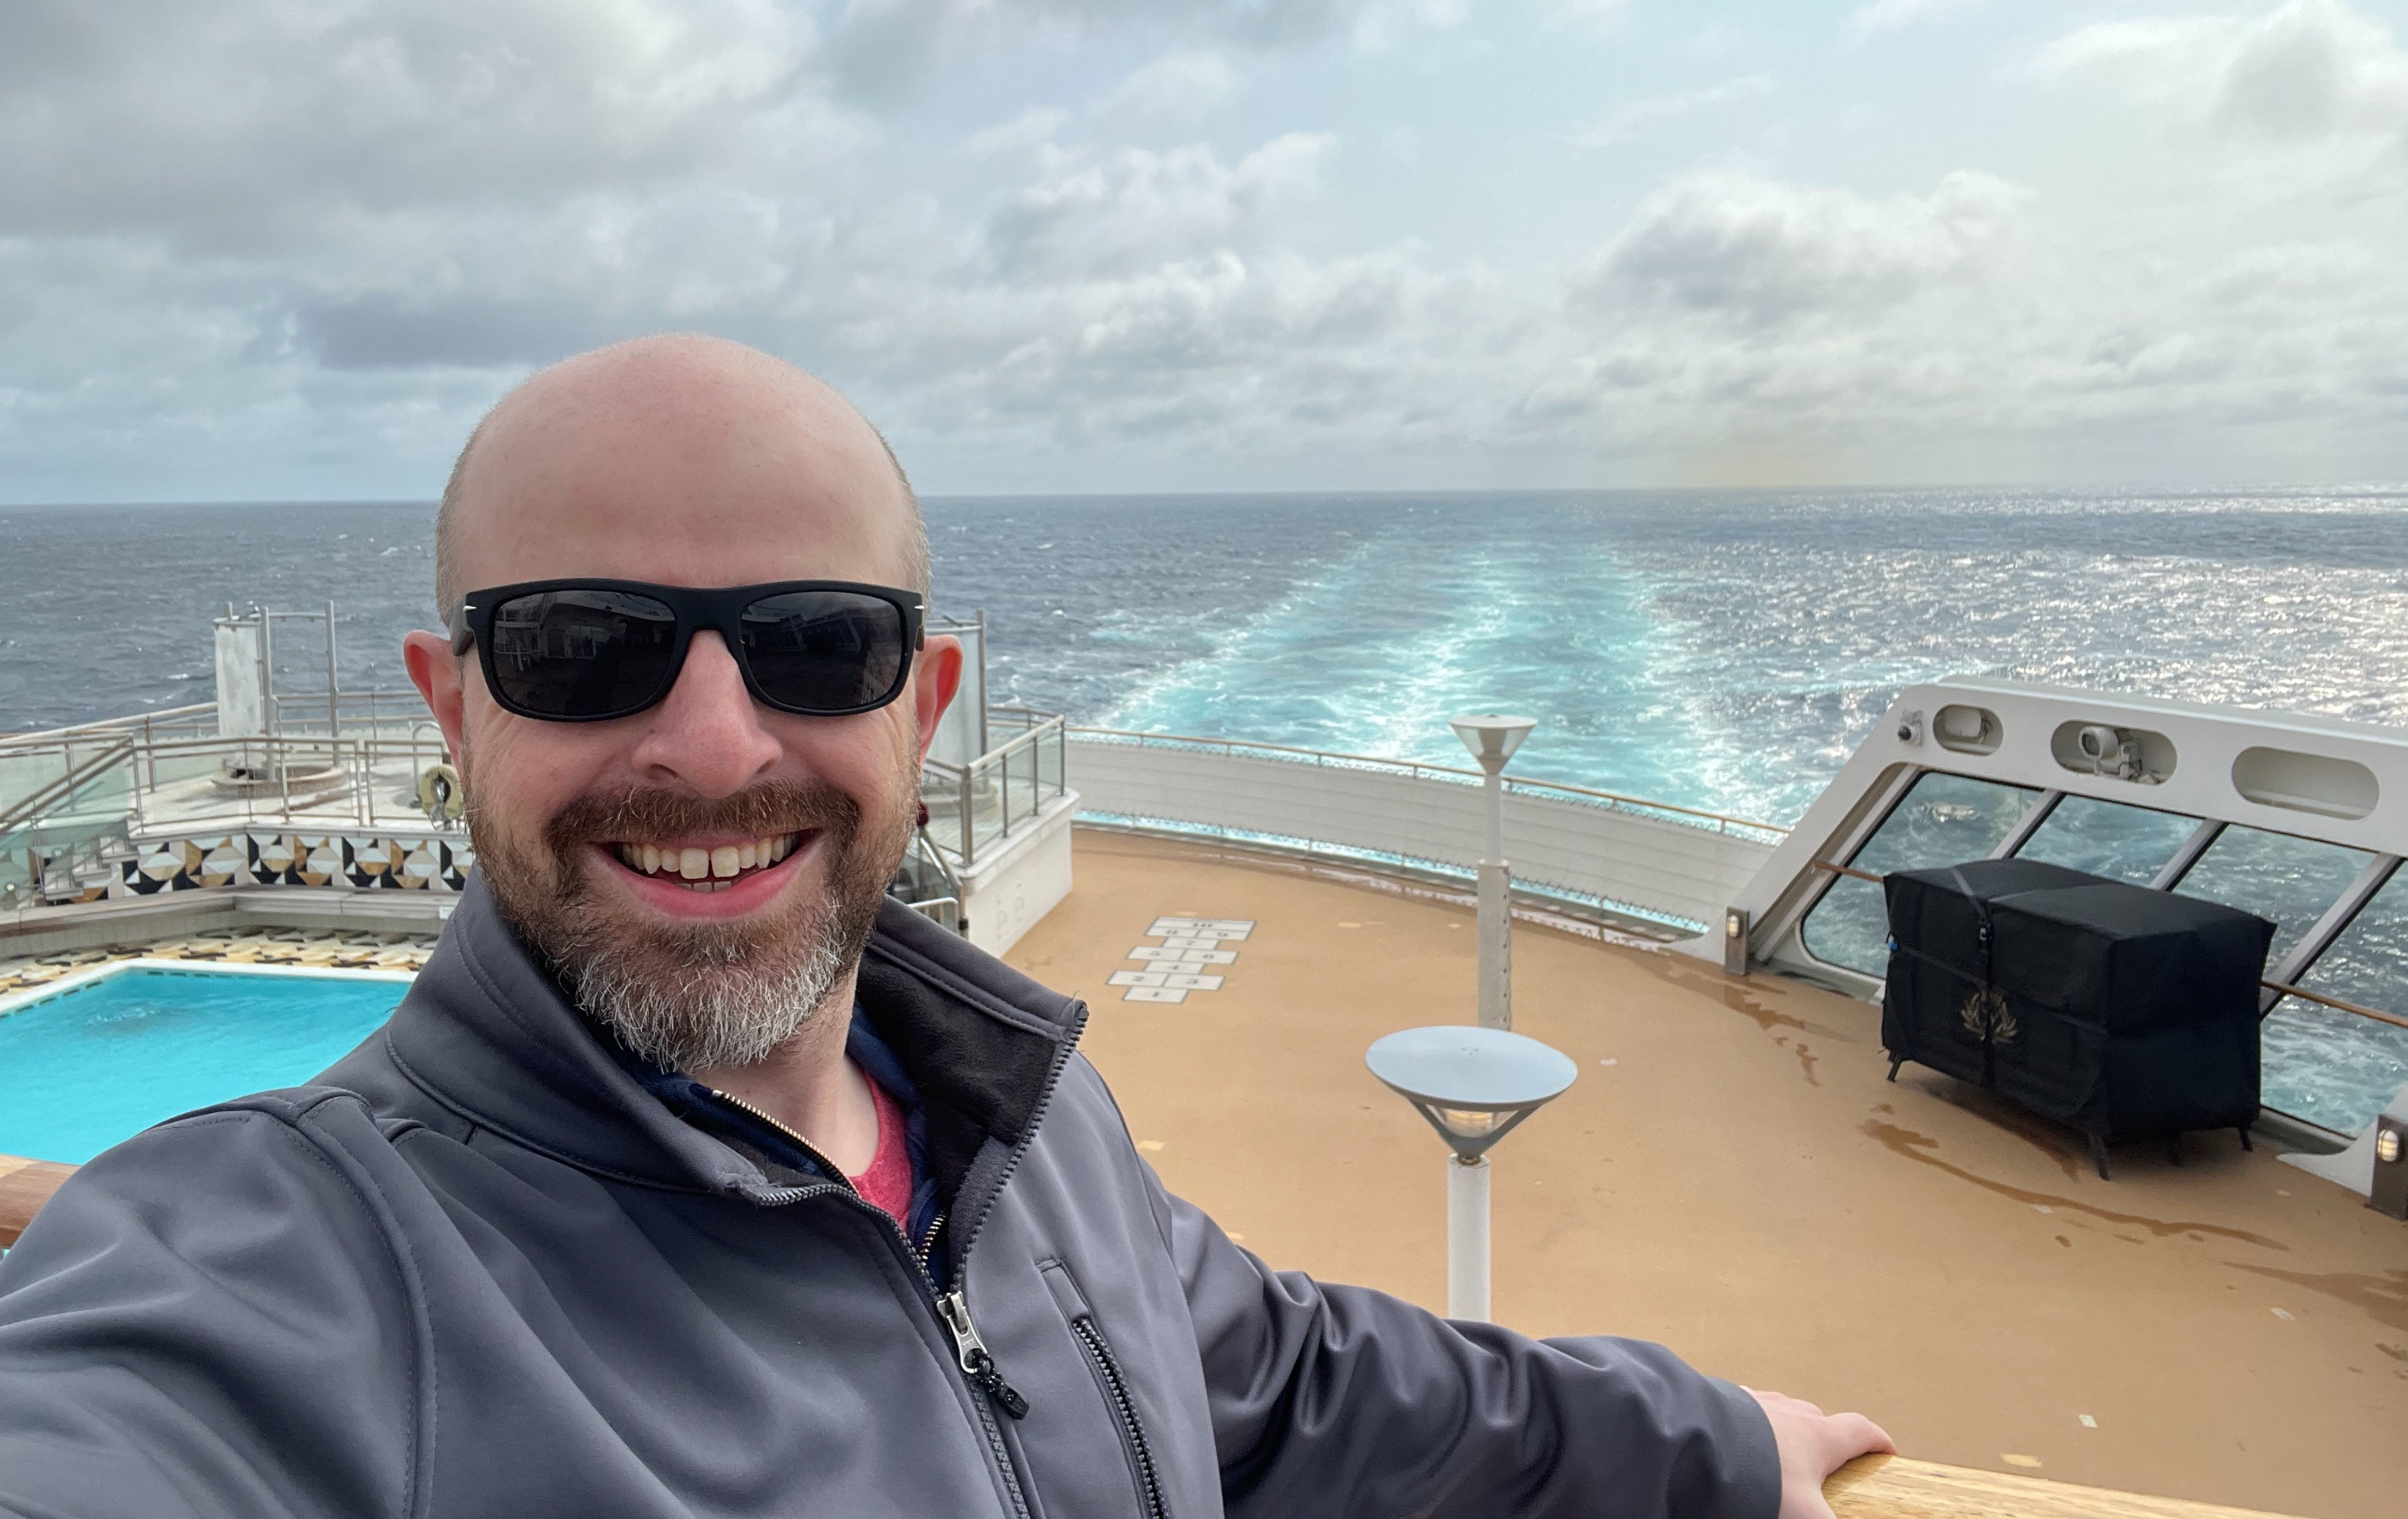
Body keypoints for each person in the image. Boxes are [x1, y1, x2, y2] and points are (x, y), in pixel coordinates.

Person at [0, 336, 1889, 1517]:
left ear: (923, 700)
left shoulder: (1026, 1132)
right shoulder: (278, 1279)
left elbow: (1283, 1385)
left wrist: (1700, 1440)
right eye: (584, 646)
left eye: (819, 642)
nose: (715, 739)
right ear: (452, 702)